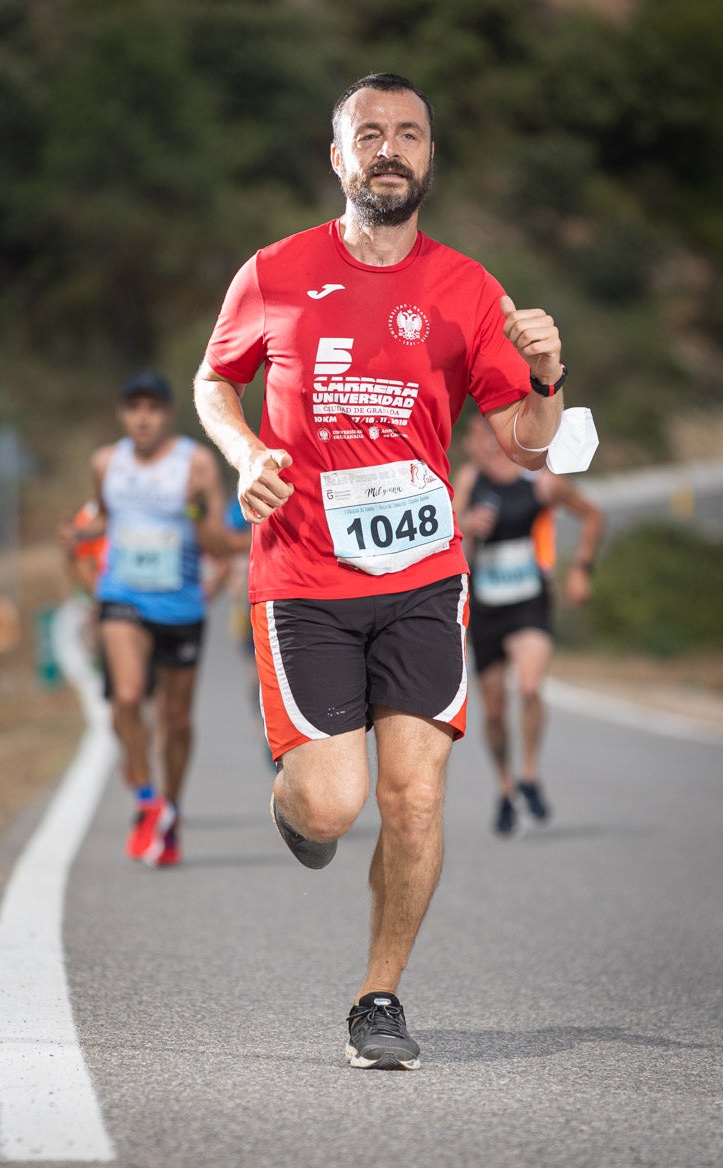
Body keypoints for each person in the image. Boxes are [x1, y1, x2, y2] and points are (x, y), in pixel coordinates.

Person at [193, 73, 568, 1069]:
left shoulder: (469, 290)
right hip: (304, 578)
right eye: (370, 135)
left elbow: (527, 440)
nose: (389, 150)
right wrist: (244, 456)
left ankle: (379, 995)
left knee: (412, 797)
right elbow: (211, 380)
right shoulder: (275, 271)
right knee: (329, 804)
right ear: (338, 157)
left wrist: (549, 373)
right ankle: (295, 805)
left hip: (420, 577)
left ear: (429, 158)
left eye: (408, 135)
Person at [62, 369, 249, 867]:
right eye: (133, 408)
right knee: (125, 696)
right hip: (122, 595)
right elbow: (105, 515)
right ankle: (146, 800)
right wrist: (79, 536)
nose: (142, 418)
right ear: (123, 414)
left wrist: (252, 540)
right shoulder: (106, 463)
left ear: (166, 414)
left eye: (152, 408)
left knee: (177, 719)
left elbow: (212, 538)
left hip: (181, 603)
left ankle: (173, 807)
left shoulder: (197, 465)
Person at [452, 413, 605, 836]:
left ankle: (530, 775)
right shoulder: (468, 480)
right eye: (475, 439)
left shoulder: (540, 481)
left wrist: (582, 569)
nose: (483, 446)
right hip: (485, 609)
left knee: (532, 687)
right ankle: (505, 787)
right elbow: (443, 533)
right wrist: (464, 525)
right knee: (496, 711)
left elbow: (593, 515)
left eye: (488, 437)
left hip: (529, 603)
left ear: (503, 437)